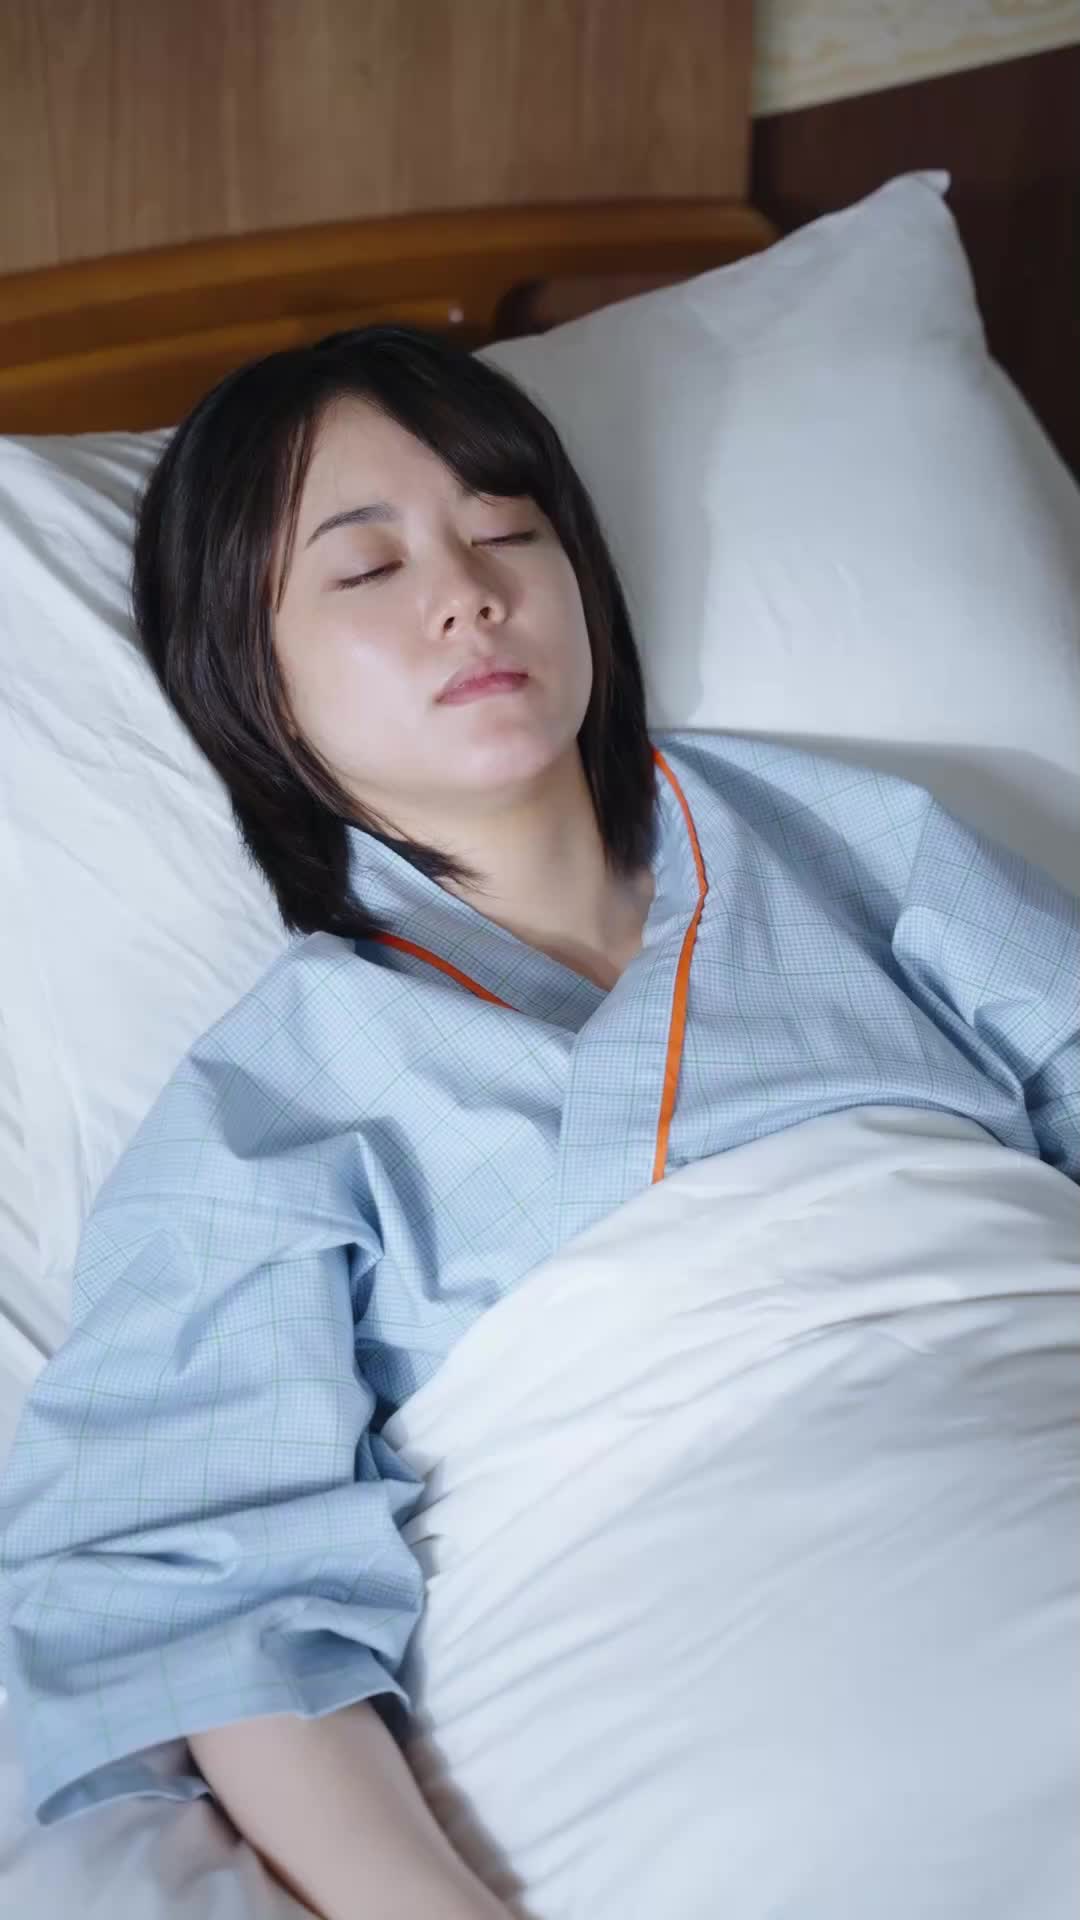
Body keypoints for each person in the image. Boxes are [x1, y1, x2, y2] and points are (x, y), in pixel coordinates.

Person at [0, 327, 1077, 1920]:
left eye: (506, 529)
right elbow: (204, 1602)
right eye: (367, 569)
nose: (469, 593)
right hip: (682, 1672)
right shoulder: (261, 1113)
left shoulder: (851, 847)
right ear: (250, 673)